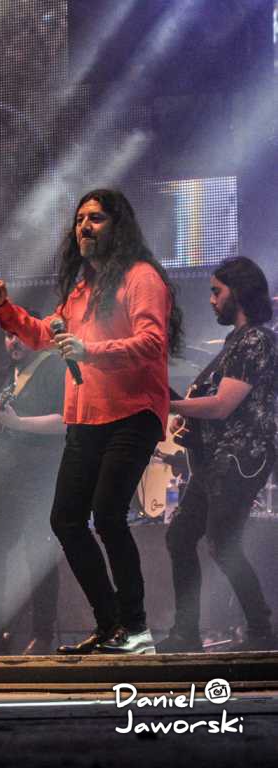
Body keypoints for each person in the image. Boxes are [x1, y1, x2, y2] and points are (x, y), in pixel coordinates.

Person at [0, 188, 183, 655]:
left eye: (96, 218)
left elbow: (152, 342)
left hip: (132, 413)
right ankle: (111, 625)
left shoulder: (141, 277)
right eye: (79, 220)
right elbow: (43, 335)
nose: (84, 227)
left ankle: (136, 629)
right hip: (87, 417)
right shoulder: (82, 289)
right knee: (66, 520)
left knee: (108, 516)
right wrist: (4, 309)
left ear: (118, 226)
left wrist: (91, 350)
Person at [160, 257, 277, 653]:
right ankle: (186, 633)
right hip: (217, 459)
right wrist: (187, 416)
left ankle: (260, 629)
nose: (211, 300)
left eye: (216, 291)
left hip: (242, 457)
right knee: (181, 537)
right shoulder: (234, 342)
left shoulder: (256, 340)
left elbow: (224, 405)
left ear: (238, 292)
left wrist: (171, 405)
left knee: (222, 541)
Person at [0, 318, 66, 655]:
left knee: (38, 554)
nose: (13, 342)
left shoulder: (54, 369)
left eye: (20, 335)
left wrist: (20, 424)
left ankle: (42, 635)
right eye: (9, 336)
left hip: (42, 479)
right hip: (5, 477)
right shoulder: (4, 372)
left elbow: (66, 420)